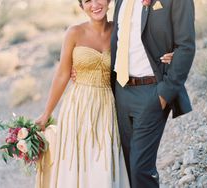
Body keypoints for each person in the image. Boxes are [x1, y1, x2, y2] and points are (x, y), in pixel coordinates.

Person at [36, 0, 174, 188]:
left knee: (104, 166)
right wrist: (47, 113)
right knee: (78, 165)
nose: (94, 5)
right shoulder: (74, 33)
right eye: (87, 1)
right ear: (81, 7)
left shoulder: (119, 29)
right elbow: (62, 74)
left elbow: (144, 46)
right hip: (78, 107)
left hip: (108, 106)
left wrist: (172, 53)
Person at [110, 0, 196, 187]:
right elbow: (116, 37)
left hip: (151, 92)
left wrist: (164, 93)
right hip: (121, 91)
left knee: (140, 169)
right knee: (126, 167)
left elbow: (186, 45)